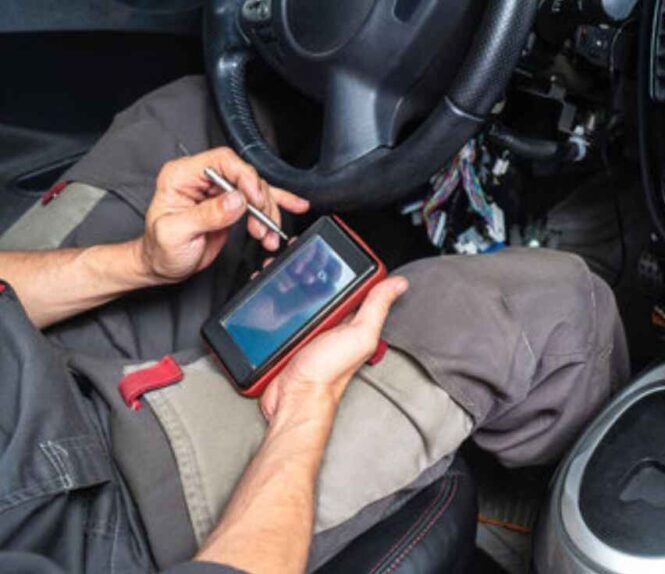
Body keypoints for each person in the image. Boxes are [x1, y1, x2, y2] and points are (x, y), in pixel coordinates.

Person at [0, 76, 628, 573]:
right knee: (563, 311)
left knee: (204, 112)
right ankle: (525, 494)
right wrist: (306, 400)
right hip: (115, 525)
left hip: (26, 363)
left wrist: (142, 263)